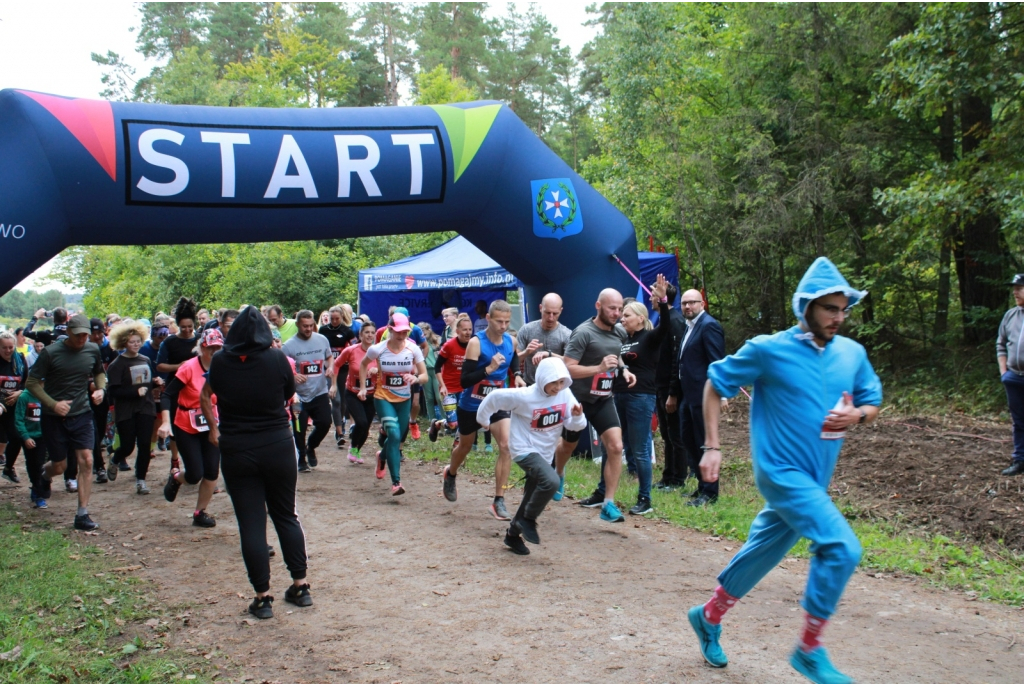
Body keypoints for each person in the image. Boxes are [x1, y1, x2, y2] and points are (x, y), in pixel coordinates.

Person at [687, 257, 881, 683]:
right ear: (807, 307)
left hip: (814, 479)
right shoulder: (768, 349)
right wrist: (712, 446)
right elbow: (713, 384)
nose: (838, 317)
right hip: (780, 472)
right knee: (842, 547)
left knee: (765, 549)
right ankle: (810, 649)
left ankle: (709, 615)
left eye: (843, 308)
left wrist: (858, 417)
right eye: (830, 308)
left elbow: (872, 400)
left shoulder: (852, 353)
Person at [204, 306, 311, 620]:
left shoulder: (221, 361)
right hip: (277, 444)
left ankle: (263, 598)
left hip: (237, 448)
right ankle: (300, 586)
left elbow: (209, 392)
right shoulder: (277, 358)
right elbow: (289, 392)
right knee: (285, 515)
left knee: (251, 523)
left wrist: (216, 426)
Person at [475, 357, 586, 555]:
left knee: (532, 495)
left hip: (545, 452)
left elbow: (573, 425)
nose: (557, 387)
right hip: (523, 449)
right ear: (542, 378)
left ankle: (512, 535)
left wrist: (577, 416)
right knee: (551, 482)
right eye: (553, 382)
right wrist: (483, 420)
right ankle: (527, 520)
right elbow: (494, 398)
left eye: (561, 382)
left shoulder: (565, 394)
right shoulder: (524, 396)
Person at [554, 289, 636, 523]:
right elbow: (568, 367)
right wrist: (598, 369)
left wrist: (624, 370)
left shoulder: (619, 332)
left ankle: (608, 504)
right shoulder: (583, 333)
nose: (617, 313)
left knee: (616, 447)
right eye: (612, 308)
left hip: (602, 399)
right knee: (568, 446)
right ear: (598, 305)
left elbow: (615, 354)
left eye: (620, 309)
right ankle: (558, 473)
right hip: (577, 400)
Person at [441, 300, 524, 520]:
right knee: (465, 447)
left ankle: (499, 500)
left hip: (497, 402)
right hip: (472, 404)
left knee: (506, 446)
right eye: (499, 321)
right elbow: (465, 380)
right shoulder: (476, 343)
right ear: (488, 319)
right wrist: (489, 369)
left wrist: (518, 376)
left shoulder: (511, 341)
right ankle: (451, 473)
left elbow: (514, 359)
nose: (503, 326)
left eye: (507, 321)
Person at [25, 313, 107, 531]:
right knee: (60, 466)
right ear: (69, 332)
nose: (82, 339)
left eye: (86, 335)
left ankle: (82, 514)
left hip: (81, 413)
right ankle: (44, 475)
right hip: (54, 417)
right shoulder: (51, 353)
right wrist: (53, 404)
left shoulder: (92, 350)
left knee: (87, 461)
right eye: (78, 335)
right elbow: (31, 383)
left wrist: (100, 389)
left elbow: (99, 373)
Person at [615, 276, 673, 516]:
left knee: (641, 449)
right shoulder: (624, 339)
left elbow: (667, 327)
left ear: (641, 318)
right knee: (619, 445)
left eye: (626, 315)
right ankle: (604, 490)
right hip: (619, 395)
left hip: (641, 397)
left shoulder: (649, 337)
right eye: (621, 315)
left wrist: (662, 299)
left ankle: (645, 498)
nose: (622, 318)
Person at [158, 328, 224, 528]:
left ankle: (199, 512)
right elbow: (167, 395)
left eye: (218, 348)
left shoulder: (224, 368)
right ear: (202, 347)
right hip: (186, 424)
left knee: (212, 471)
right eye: (210, 347)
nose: (214, 351)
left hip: (211, 423)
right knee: (195, 474)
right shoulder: (189, 367)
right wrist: (165, 421)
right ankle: (176, 478)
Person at [668, 288, 727, 506]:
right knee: (688, 439)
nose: (688, 307)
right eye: (684, 303)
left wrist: (721, 394)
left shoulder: (709, 326)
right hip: (687, 395)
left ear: (702, 304)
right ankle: (702, 485)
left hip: (704, 397)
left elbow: (716, 362)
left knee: (705, 442)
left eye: (692, 303)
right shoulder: (689, 327)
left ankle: (710, 493)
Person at [358, 313, 427, 496]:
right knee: (395, 435)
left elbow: (425, 376)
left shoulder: (413, 349)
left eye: (405, 332)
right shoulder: (378, 349)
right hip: (383, 398)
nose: (402, 335)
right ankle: (396, 482)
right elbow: (363, 365)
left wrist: (415, 377)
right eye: (398, 332)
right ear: (389, 330)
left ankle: (382, 457)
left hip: (404, 401)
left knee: (396, 438)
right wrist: (364, 387)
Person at [105, 322, 163, 494]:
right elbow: (113, 390)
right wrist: (133, 392)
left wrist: (155, 383)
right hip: (126, 410)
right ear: (123, 343)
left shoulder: (145, 360)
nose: (136, 344)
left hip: (146, 407)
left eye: (138, 341)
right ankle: (115, 459)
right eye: (132, 342)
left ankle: (141, 479)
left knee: (145, 445)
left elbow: (145, 385)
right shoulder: (117, 365)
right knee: (128, 446)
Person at [282, 310, 335, 472]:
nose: (308, 329)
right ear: (297, 324)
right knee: (300, 429)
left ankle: (311, 446)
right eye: (305, 326)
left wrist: (330, 367)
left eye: (311, 325)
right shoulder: (288, 346)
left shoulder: (321, 339)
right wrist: (295, 375)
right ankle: (302, 458)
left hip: (319, 391)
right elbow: (283, 370)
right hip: (298, 396)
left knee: (325, 423)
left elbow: (329, 357)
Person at [652, 281, 686, 491]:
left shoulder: (675, 322)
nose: (649, 298)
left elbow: (676, 359)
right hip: (659, 385)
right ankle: (668, 475)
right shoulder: (663, 321)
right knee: (666, 433)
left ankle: (678, 478)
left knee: (675, 433)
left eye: (652, 294)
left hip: (670, 387)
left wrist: (673, 392)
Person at [333, 322, 378, 464]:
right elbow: (336, 364)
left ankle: (356, 449)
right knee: (361, 422)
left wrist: (378, 371)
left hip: (372, 394)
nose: (370, 335)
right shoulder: (351, 350)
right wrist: (333, 385)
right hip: (353, 393)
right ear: (360, 335)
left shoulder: (379, 352)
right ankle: (353, 447)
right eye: (366, 332)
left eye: (372, 332)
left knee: (366, 427)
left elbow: (387, 371)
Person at [429, 314, 473, 441]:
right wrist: (442, 385)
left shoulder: (473, 345)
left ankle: (458, 444)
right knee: (453, 423)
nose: (468, 332)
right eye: (464, 330)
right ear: (457, 331)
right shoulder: (449, 346)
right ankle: (437, 424)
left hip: (464, 387)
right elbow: (437, 367)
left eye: (470, 329)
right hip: (449, 388)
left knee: (463, 418)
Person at [997, 273, 1024, 477]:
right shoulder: (1010, 315)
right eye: (1014, 288)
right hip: (1013, 377)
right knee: (1018, 421)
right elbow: (1001, 344)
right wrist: (1004, 372)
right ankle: (1020, 459)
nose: (1015, 291)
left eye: (1020, 287)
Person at [516, 293, 572, 387]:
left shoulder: (566, 334)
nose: (551, 317)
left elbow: (570, 363)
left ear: (561, 311)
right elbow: (514, 361)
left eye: (555, 314)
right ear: (540, 308)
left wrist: (549, 354)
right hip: (530, 385)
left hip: (555, 387)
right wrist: (526, 352)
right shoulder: (526, 330)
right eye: (547, 312)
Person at [319, 305, 356, 447]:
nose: (334, 321)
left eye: (337, 319)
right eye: (332, 318)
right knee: (336, 400)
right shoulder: (323, 330)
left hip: (344, 368)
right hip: (329, 368)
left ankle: (341, 422)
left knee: (343, 400)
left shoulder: (347, 331)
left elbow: (355, 347)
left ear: (342, 317)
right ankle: (340, 433)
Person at [88, 317, 117, 483]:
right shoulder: (84, 350)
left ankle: (94, 458)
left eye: (100, 333)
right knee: (92, 431)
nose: (98, 337)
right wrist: (90, 384)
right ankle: (99, 467)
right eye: (94, 333)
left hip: (105, 396)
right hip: (87, 396)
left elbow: (114, 370)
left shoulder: (109, 349)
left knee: (99, 430)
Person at [13, 378, 47, 508]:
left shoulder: (47, 396)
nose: (42, 385)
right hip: (29, 436)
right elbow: (19, 420)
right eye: (40, 382)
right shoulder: (24, 397)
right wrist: (26, 436)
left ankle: (40, 490)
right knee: (33, 464)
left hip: (43, 436)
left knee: (42, 464)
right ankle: (36, 489)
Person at [0, 330, 28, 483]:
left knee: (17, 438)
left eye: (11, 347)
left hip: (13, 407)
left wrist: (20, 392)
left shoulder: (20, 361)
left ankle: (8, 468)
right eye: (4, 347)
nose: (8, 351)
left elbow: (26, 382)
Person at [419, 322, 446, 432]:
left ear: (429, 330)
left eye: (425, 333)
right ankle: (432, 422)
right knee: (429, 398)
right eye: (422, 334)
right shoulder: (418, 343)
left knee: (439, 397)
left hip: (436, 371)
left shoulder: (437, 340)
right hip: (426, 371)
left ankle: (445, 422)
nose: (423, 336)